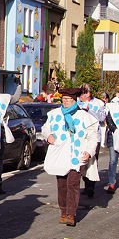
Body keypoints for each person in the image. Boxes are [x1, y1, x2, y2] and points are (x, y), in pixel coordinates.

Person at [41, 88, 98, 226]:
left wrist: (89, 151)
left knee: (72, 184)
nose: (65, 102)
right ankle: (63, 211)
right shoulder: (54, 114)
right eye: (64, 99)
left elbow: (92, 137)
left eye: (68, 99)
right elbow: (45, 128)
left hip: (77, 156)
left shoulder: (84, 116)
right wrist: (48, 136)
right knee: (62, 185)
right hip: (60, 155)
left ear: (74, 100)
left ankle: (71, 214)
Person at [77, 84, 105, 197]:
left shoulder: (98, 103)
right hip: (80, 136)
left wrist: (90, 111)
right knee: (81, 160)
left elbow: (102, 118)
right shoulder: (77, 102)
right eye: (81, 94)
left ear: (88, 93)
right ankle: (83, 184)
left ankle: (90, 187)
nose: (82, 96)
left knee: (92, 161)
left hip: (94, 137)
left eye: (84, 93)